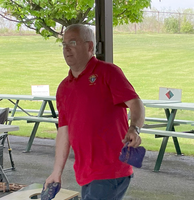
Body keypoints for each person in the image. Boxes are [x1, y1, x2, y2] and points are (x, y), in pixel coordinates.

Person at [45, 24, 145, 200]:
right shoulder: (64, 88)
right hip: (85, 172)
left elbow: (136, 103)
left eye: (73, 42)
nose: (66, 49)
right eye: (64, 44)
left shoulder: (108, 72)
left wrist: (134, 127)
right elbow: (64, 131)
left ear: (90, 46)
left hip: (111, 169)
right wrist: (56, 172)